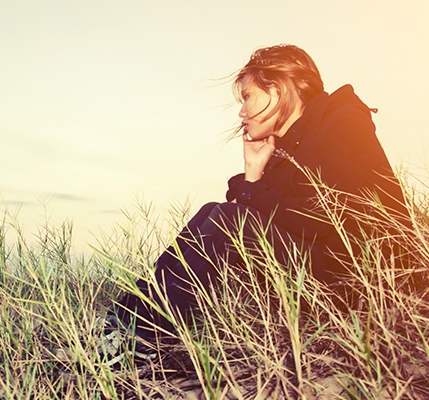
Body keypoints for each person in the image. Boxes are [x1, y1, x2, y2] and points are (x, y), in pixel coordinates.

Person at [108, 44, 408, 353]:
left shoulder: (344, 119)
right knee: (214, 211)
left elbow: (320, 215)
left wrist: (251, 189)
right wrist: (253, 172)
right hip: (322, 274)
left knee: (227, 220)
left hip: (372, 283)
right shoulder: (285, 151)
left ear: (276, 91)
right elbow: (265, 225)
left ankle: (142, 338)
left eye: (247, 97)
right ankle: (123, 325)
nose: (241, 111)